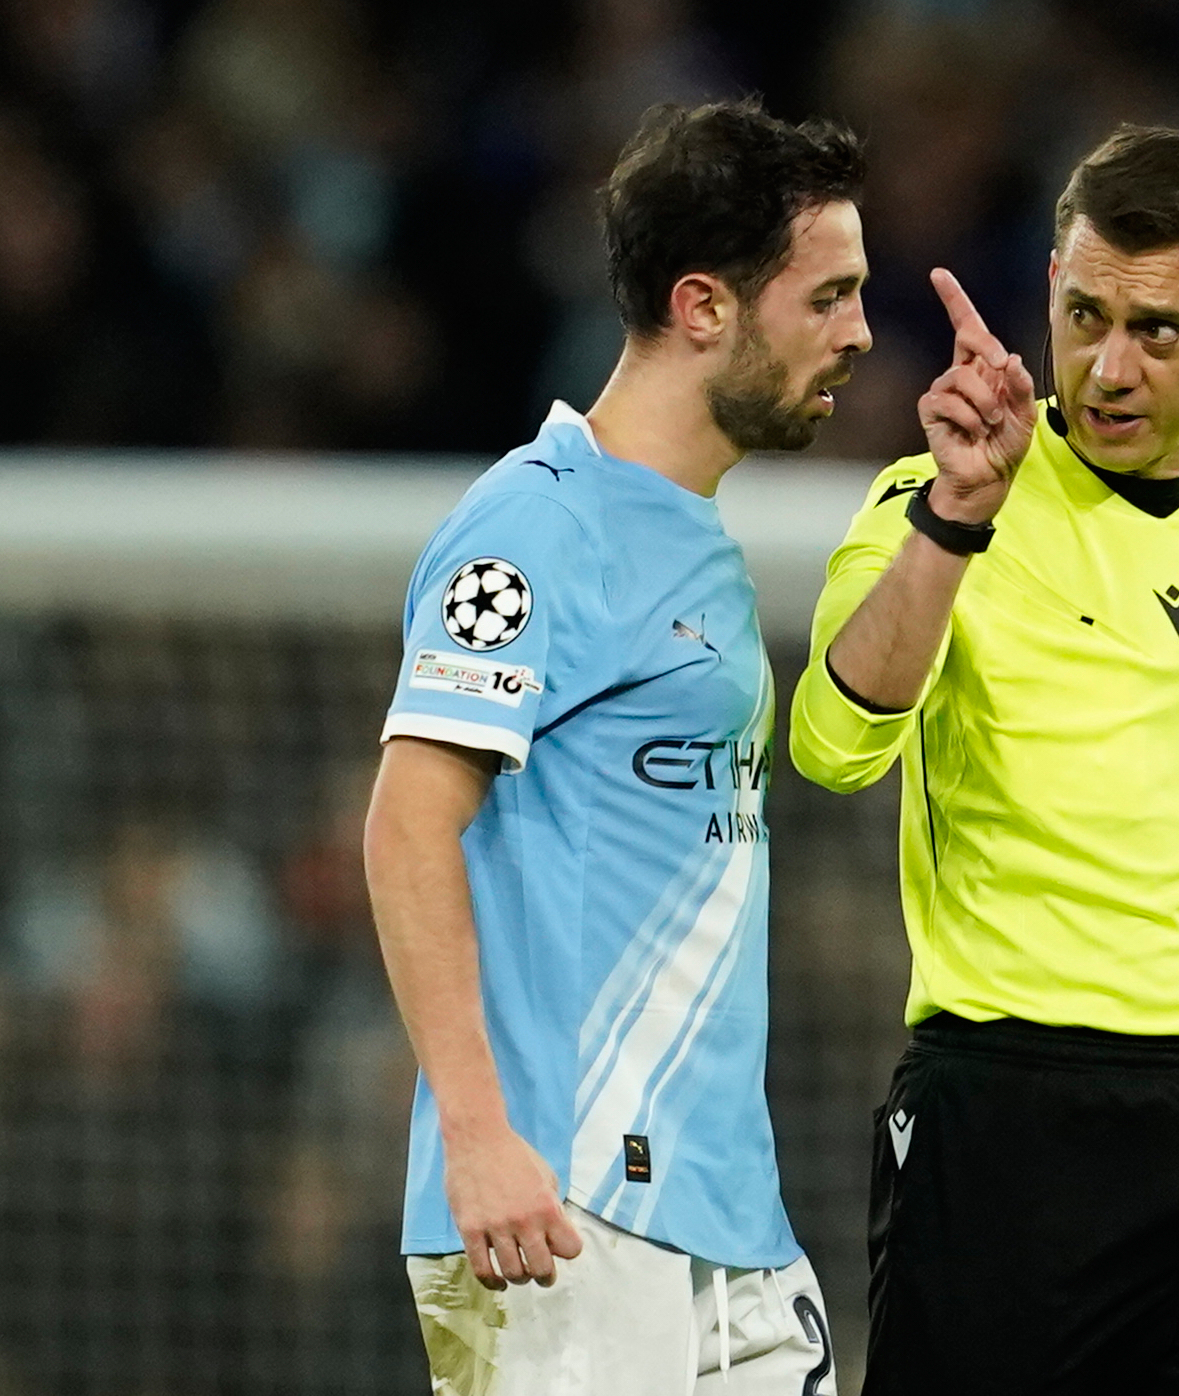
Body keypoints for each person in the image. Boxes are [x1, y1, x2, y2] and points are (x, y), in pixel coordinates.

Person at [790, 124, 1179, 1395]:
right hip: (1014, 1111)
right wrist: (956, 520)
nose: (1108, 368)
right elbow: (835, 746)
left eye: (1156, 330)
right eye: (1082, 315)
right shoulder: (935, 498)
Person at [364, 99, 869, 1395]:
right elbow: (406, 824)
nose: (857, 334)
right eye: (826, 298)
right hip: (560, 1214)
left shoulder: (695, 536)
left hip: (723, 1217)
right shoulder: (534, 529)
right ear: (704, 306)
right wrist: (478, 1137)